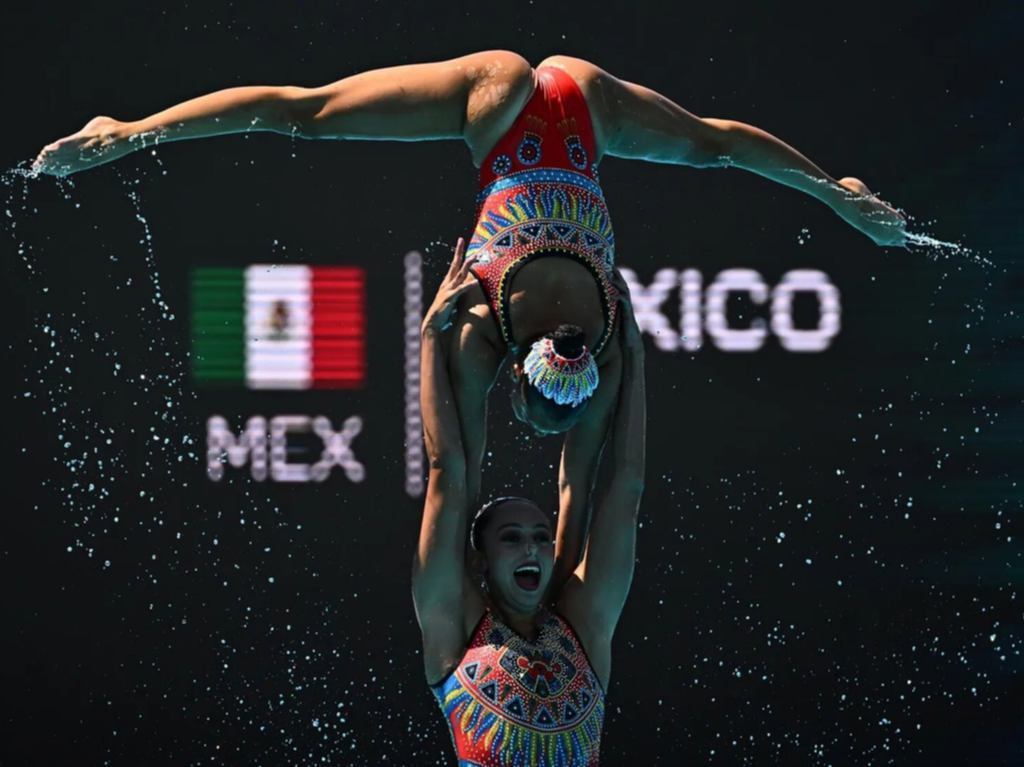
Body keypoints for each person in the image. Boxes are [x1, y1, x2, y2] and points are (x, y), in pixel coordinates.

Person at [33, 50, 906, 589]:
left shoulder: (600, 346)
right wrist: (430, 337)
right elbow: (460, 464)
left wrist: (836, 198)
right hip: (498, 115)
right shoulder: (483, 328)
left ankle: (838, 187)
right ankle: (128, 130)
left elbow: (591, 479)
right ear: (519, 387)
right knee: (307, 116)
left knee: (711, 145)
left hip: (576, 104)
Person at [412, 238, 645, 765]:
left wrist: (633, 355)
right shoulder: (454, 627)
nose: (533, 550)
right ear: (480, 559)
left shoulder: (583, 627)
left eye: (541, 536)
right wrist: (429, 335)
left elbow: (623, 486)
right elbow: (448, 470)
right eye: (512, 539)